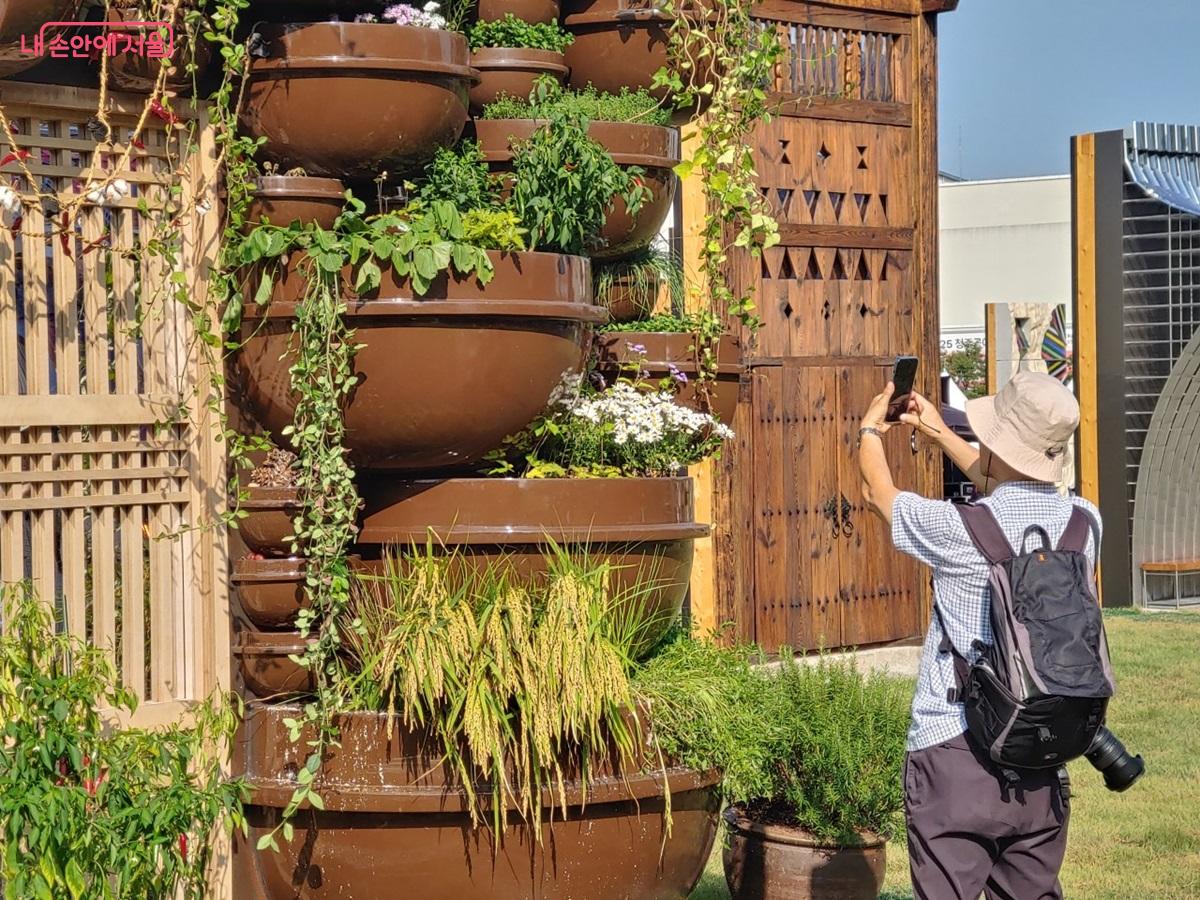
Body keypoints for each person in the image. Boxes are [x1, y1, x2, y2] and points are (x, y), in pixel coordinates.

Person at [856, 370, 1100, 900]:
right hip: (1042, 746)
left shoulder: (957, 529)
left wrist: (870, 430)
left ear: (998, 442)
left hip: (955, 747)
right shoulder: (1084, 526)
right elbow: (1014, 488)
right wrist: (940, 432)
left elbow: (878, 493)